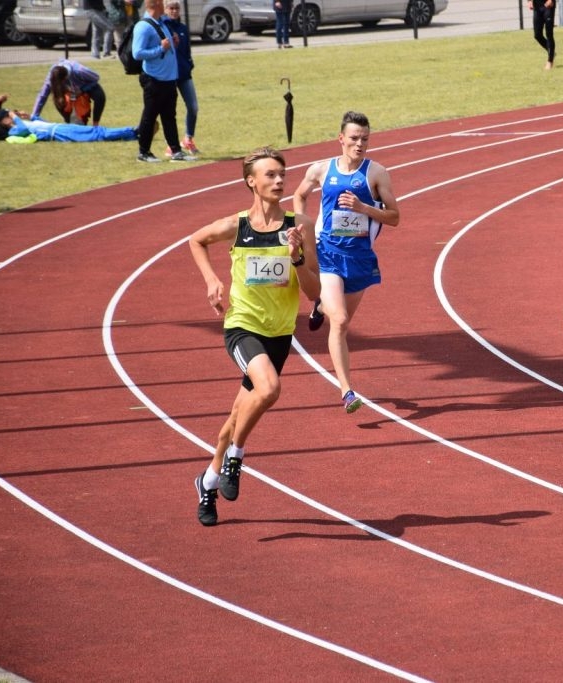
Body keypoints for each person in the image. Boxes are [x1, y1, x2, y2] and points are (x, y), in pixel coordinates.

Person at [188, 146, 320, 527]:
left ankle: (208, 480)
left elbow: (312, 292)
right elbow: (196, 240)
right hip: (243, 326)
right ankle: (237, 457)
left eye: (282, 174)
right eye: (270, 175)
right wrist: (212, 280)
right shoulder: (238, 225)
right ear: (251, 182)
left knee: (236, 416)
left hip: (280, 332)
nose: (279, 181)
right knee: (268, 389)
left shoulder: (300, 226)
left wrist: (296, 257)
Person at [292, 111, 401, 414]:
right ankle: (347, 391)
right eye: (353, 138)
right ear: (341, 139)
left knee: (343, 320)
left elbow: (395, 217)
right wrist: (305, 227)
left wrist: (364, 207)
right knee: (338, 322)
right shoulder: (322, 170)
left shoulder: (376, 173)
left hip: (360, 258)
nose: (359, 144)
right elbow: (299, 195)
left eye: (364, 139)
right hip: (328, 253)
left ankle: (319, 305)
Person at [132, 0, 190, 162]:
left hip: (169, 79)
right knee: (149, 116)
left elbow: (165, 47)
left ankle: (176, 151)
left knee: (169, 116)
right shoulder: (143, 26)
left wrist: (173, 44)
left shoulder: (161, 23)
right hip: (154, 79)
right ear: (156, 4)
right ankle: (143, 152)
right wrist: (161, 48)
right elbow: (137, 53)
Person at [162, 0, 199, 155]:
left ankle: (188, 138)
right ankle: (171, 145)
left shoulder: (183, 28)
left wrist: (189, 65)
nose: (175, 11)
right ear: (165, 9)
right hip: (169, 75)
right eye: (171, 8)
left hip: (184, 74)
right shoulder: (163, 27)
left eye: (177, 8)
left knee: (193, 107)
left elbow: (187, 50)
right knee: (170, 111)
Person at [31, 60, 106, 126]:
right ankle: (70, 123)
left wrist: (82, 90)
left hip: (85, 85)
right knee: (58, 99)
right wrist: (34, 116)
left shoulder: (79, 70)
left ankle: (95, 125)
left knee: (99, 96)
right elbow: (42, 95)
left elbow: (96, 77)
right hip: (72, 91)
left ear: (65, 78)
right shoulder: (52, 76)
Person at [0, 109, 137, 142]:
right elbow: (23, 130)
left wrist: (31, 117)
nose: (10, 116)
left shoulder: (22, 123)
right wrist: (15, 117)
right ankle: (133, 131)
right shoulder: (13, 131)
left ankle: (133, 135)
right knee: (96, 135)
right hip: (59, 133)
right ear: (2, 122)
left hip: (59, 127)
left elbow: (44, 123)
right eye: (7, 116)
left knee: (96, 131)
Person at [528, 0, 556, 69]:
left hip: (548, 5)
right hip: (537, 7)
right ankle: (551, 51)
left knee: (549, 34)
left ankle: (550, 61)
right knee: (537, 35)